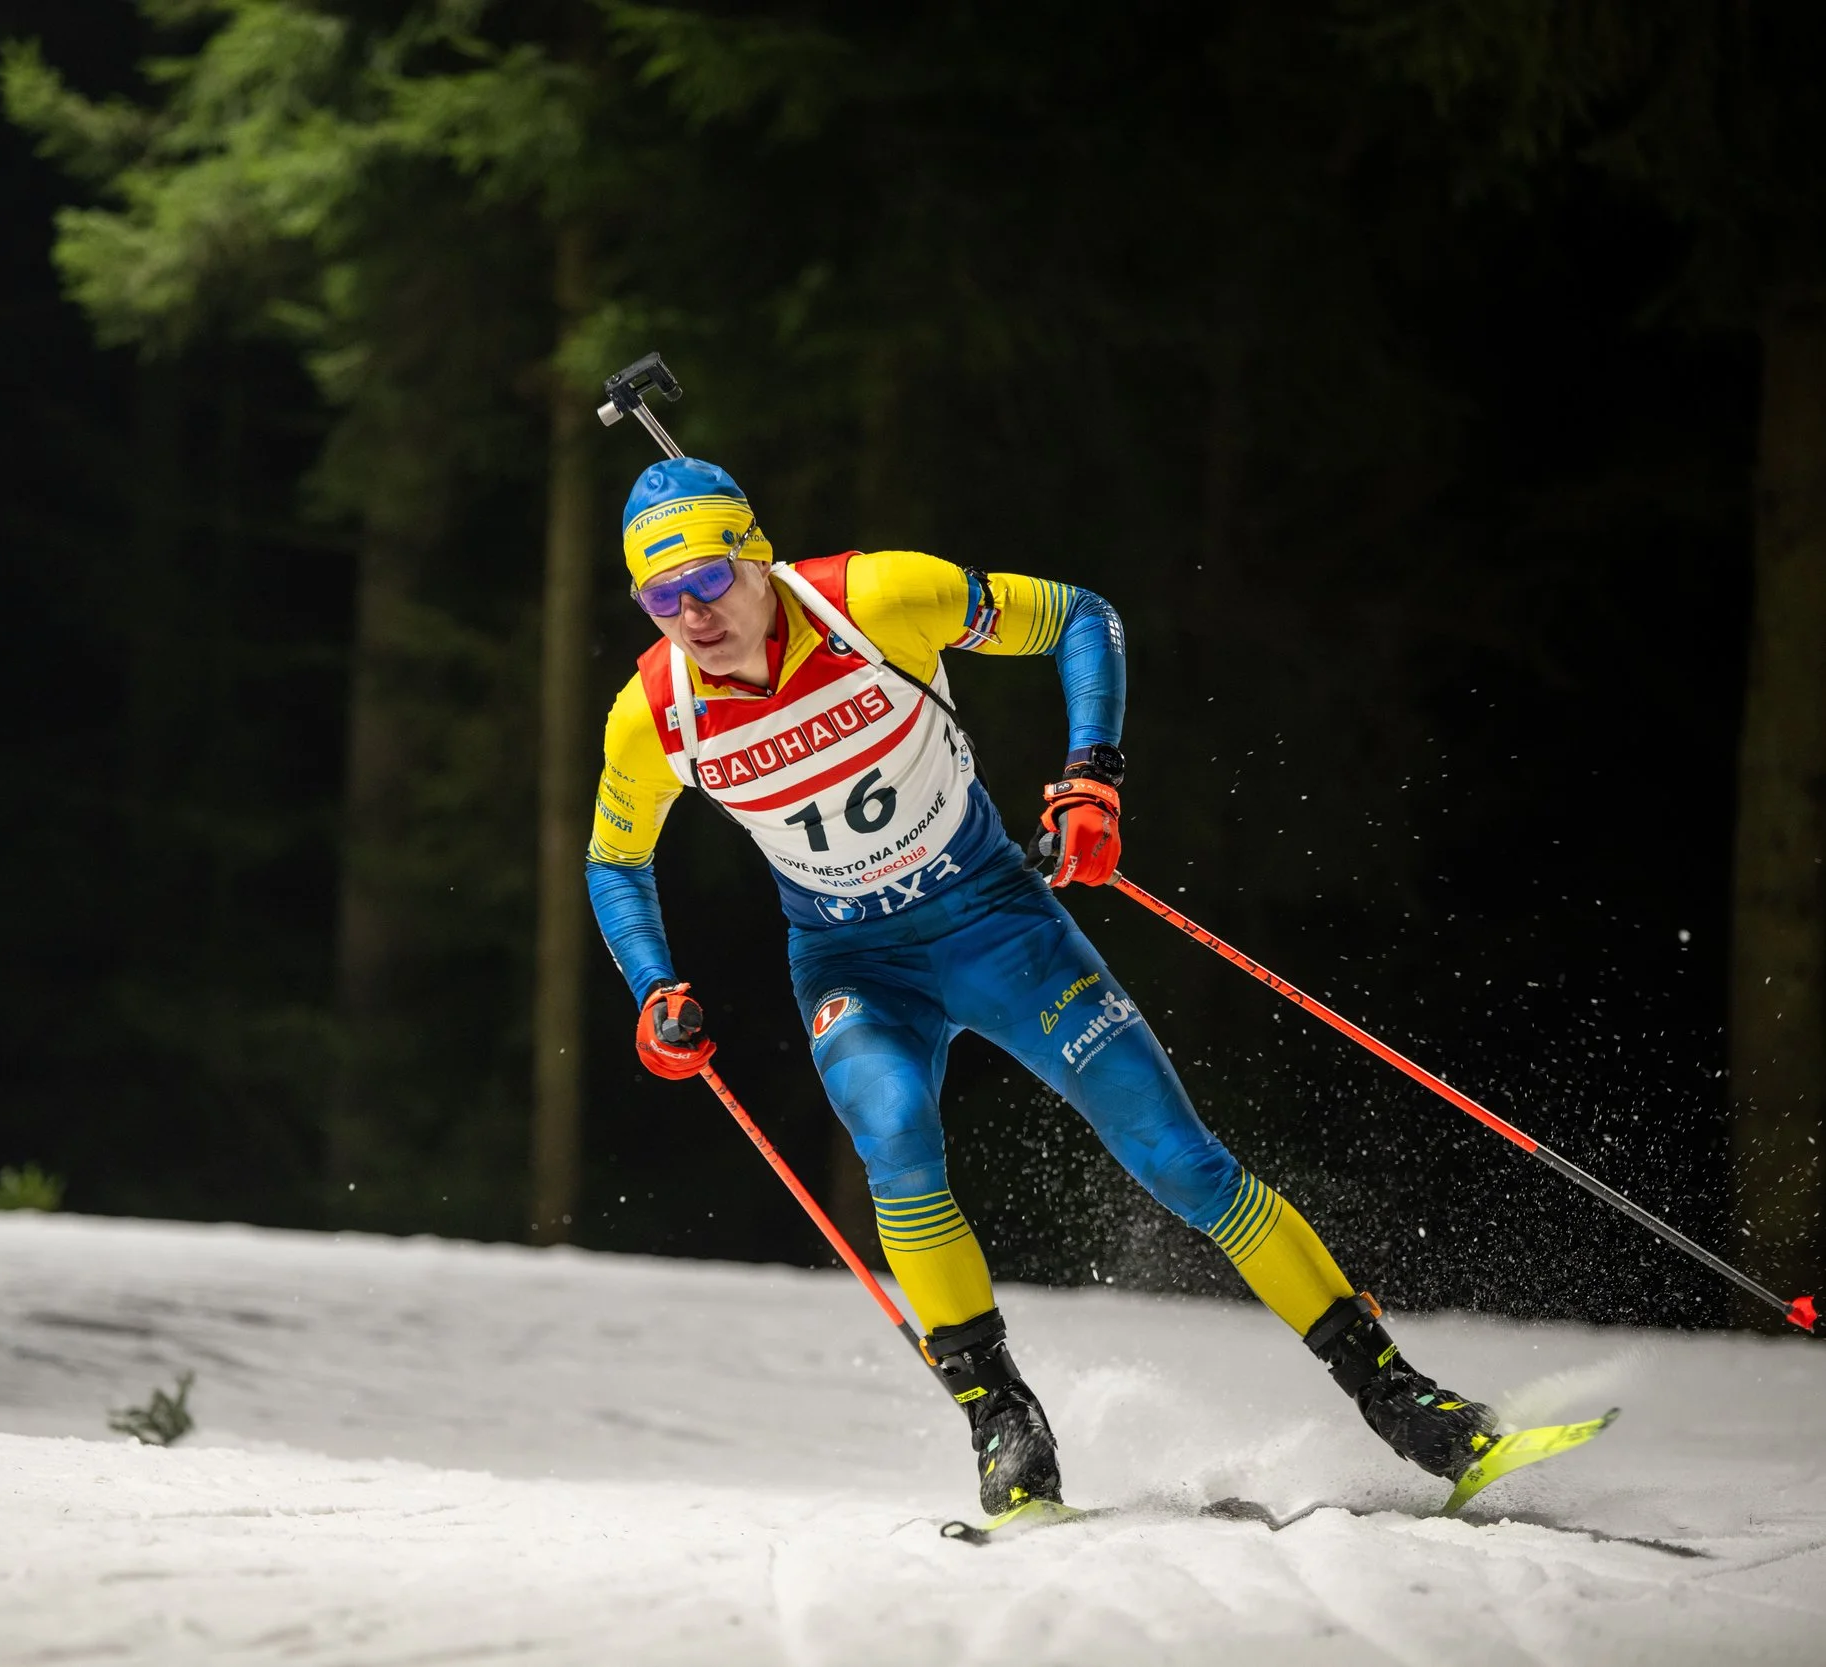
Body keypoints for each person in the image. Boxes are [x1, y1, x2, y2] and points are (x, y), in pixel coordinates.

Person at [585, 456, 1503, 1515]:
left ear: (756, 556)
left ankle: (1397, 1395)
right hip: (852, 964)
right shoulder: (652, 713)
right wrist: (654, 987)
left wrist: (1091, 774)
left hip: (995, 922)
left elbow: (1080, 617)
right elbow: (614, 857)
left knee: (1181, 1162)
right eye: (661, 597)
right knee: (893, 1136)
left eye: (706, 581)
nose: (690, 615)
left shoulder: (878, 598)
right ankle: (1001, 1421)